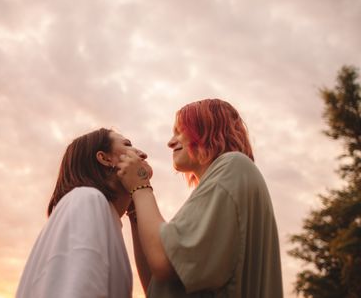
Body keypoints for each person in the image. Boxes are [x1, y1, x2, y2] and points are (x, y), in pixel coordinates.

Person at [117, 98, 283, 298]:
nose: (170, 142)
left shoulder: (233, 166)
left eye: (180, 131)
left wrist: (141, 185)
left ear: (208, 129)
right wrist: (136, 210)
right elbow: (157, 282)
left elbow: (163, 261)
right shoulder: (227, 180)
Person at [16, 128, 147, 298]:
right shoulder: (87, 199)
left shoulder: (105, 216)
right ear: (105, 158)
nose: (142, 154)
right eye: (127, 144)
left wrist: (138, 201)